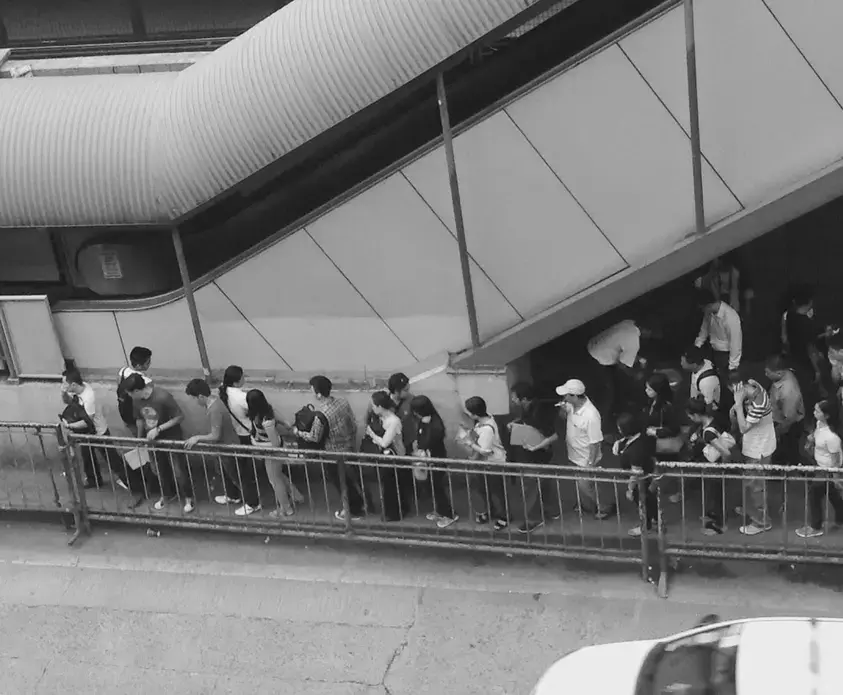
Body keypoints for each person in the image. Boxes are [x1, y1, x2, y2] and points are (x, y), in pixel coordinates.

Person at [295, 375, 370, 521]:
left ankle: (353, 511)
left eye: (312, 390)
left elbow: (314, 436)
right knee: (355, 478)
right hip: (349, 447)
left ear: (318, 394)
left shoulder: (321, 415)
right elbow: (352, 423)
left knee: (342, 483)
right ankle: (366, 503)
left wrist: (299, 433)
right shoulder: (343, 402)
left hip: (333, 454)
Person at [184, 378, 261, 516]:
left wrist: (197, 438)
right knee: (226, 473)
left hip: (229, 448)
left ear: (201, 397)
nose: (195, 402)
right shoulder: (215, 401)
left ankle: (253, 503)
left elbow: (215, 436)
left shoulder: (214, 410)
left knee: (238, 476)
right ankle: (233, 496)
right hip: (223, 448)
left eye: (194, 399)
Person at [123, 374, 194, 513]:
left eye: (130, 394)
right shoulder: (136, 401)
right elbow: (139, 419)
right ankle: (167, 495)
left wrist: (159, 428)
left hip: (172, 438)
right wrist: (139, 439)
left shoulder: (163, 396)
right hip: (153, 441)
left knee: (179, 469)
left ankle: (188, 498)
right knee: (159, 470)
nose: (129, 397)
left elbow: (179, 417)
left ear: (137, 391)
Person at [61, 368, 128, 491]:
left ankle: (130, 481)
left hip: (98, 432)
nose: (63, 385)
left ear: (73, 384)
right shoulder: (78, 389)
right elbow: (67, 401)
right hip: (86, 433)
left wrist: (69, 426)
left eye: (65, 383)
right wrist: (63, 392)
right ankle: (94, 480)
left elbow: (88, 421)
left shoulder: (88, 397)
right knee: (87, 457)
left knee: (112, 459)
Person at [508, 382, 561, 534]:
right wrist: (516, 423)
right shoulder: (530, 408)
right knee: (544, 483)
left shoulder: (540, 413)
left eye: (514, 397)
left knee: (530, 488)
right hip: (542, 456)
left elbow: (554, 435)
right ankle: (552, 511)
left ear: (524, 399)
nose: (512, 400)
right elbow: (528, 423)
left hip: (536, 456)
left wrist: (536, 447)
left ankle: (534, 519)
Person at [555, 379, 611, 519]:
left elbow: (595, 442)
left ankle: (605, 507)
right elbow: (563, 417)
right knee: (581, 485)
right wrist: (562, 410)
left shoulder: (591, 415)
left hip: (586, 458)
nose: (564, 398)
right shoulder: (571, 405)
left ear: (574, 396)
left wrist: (590, 464)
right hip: (573, 454)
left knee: (587, 486)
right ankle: (587, 506)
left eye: (566, 395)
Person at [729, 374, 776, 535]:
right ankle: (751, 510)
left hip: (759, 450)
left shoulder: (759, 404)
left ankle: (761, 522)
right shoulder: (756, 386)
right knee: (750, 484)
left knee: (755, 487)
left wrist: (737, 403)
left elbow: (743, 428)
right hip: (754, 446)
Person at [247, 389, 302, 518]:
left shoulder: (266, 421)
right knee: (278, 476)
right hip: (273, 452)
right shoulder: (269, 411)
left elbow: (275, 444)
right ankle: (297, 496)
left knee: (275, 481)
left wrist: (257, 444)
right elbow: (287, 423)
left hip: (273, 453)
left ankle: (285, 509)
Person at [686, 398, 735, 535]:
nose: (690, 419)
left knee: (714, 496)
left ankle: (718, 525)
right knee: (713, 494)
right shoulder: (713, 419)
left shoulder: (708, 433)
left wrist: (723, 467)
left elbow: (725, 452)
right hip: (713, 465)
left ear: (696, 415)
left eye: (690, 416)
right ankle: (712, 518)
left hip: (714, 467)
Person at [459, 396, 509, 530]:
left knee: (497, 491)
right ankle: (491, 511)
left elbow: (485, 451)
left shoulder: (486, 428)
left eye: (469, 412)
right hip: (486, 463)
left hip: (493, 463)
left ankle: (504, 516)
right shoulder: (485, 419)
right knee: (485, 489)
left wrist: (470, 443)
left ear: (475, 414)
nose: (468, 414)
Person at [796, 399, 843, 538]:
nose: (814, 412)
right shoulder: (819, 424)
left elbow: (835, 459)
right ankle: (841, 519)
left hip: (827, 470)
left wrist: (836, 477)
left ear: (826, 415)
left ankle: (815, 526)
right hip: (819, 465)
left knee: (815, 495)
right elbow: (817, 434)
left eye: (817, 411)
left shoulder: (832, 437)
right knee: (833, 495)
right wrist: (811, 440)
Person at [586, 319, 650, 421]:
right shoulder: (634, 341)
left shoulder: (628, 323)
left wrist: (637, 358)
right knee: (607, 394)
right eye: (649, 333)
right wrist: (635, 375)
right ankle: (603, 423)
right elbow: (622, 365)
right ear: (645, 330)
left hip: (593, 344)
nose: (649, 336)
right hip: (597, 357)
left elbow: (623, 348)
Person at [410, 395, 458, 529]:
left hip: (435, 461)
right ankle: (440, 511)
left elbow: (427, 441)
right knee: (430, 487)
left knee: (437, 488)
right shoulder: (424, 422)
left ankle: (449, 514)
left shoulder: (435, 425)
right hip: (426, 461)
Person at [366, 390, 414, 521]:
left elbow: (385, 442)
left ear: (380, 407)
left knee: (392, 487)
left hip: (395, 458)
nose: (372, 408)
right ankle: (398, 509)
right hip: (388, 457)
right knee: (391, 486)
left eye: (374, 406)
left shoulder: (393, 421)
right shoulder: (382, 418)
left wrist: (372, 434)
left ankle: (394, 513)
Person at [613, 412, 656, 537]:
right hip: (647, 476)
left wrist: (630, 489)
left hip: (641, 481)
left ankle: (646, 526)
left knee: (643, 502)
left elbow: (635, 473)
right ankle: (654, 519)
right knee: (649, 500)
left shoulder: (636, 450)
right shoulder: (639, 437)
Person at [764, 355, 805, 467]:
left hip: (788, 426)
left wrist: (777, 432)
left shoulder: (788, 391)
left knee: (786, 451)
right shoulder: (784, 375)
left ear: (779, 373)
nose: (765, 374)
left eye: (768, 372)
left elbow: (790, 418)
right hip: (780, 419)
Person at [694, 289, 742, 374]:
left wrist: (732, 367)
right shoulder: (709, 313)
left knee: (724, 382)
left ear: (708, 305)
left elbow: (735, 343)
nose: (702, 311)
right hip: (713, 351)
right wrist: (696, 347)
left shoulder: (730, 316)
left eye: (702, 308)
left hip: (725, 355)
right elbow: (704, 330)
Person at [116, 346, 152, 436]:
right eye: (148, 362)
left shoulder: (122, 371)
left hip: (124, 412)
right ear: (139, 365)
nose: (150, 364)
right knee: (142, 438)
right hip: (137, 417)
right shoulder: (146, 381)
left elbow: (119, 386)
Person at [218, 366, 251, 445]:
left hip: (233, 432)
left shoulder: (222, 392)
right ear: (235, 383)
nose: (244, 378)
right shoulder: (242, 397)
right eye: (242, 377)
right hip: (246, 433)